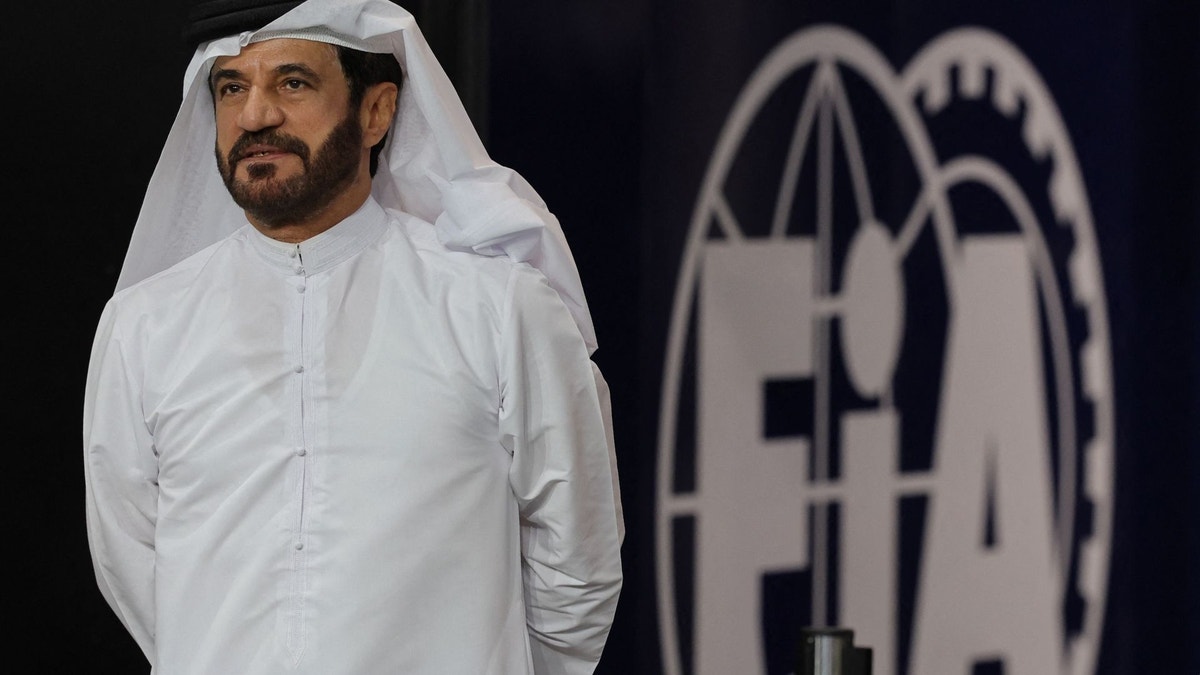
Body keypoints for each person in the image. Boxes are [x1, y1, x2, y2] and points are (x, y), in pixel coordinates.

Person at [82, 0, 623, 672]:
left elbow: (578, 562)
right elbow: (133, 562)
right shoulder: (144, 325)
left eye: (292, 82)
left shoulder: (498, 306)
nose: (255, 116)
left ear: (377, 111)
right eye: (231, 87)